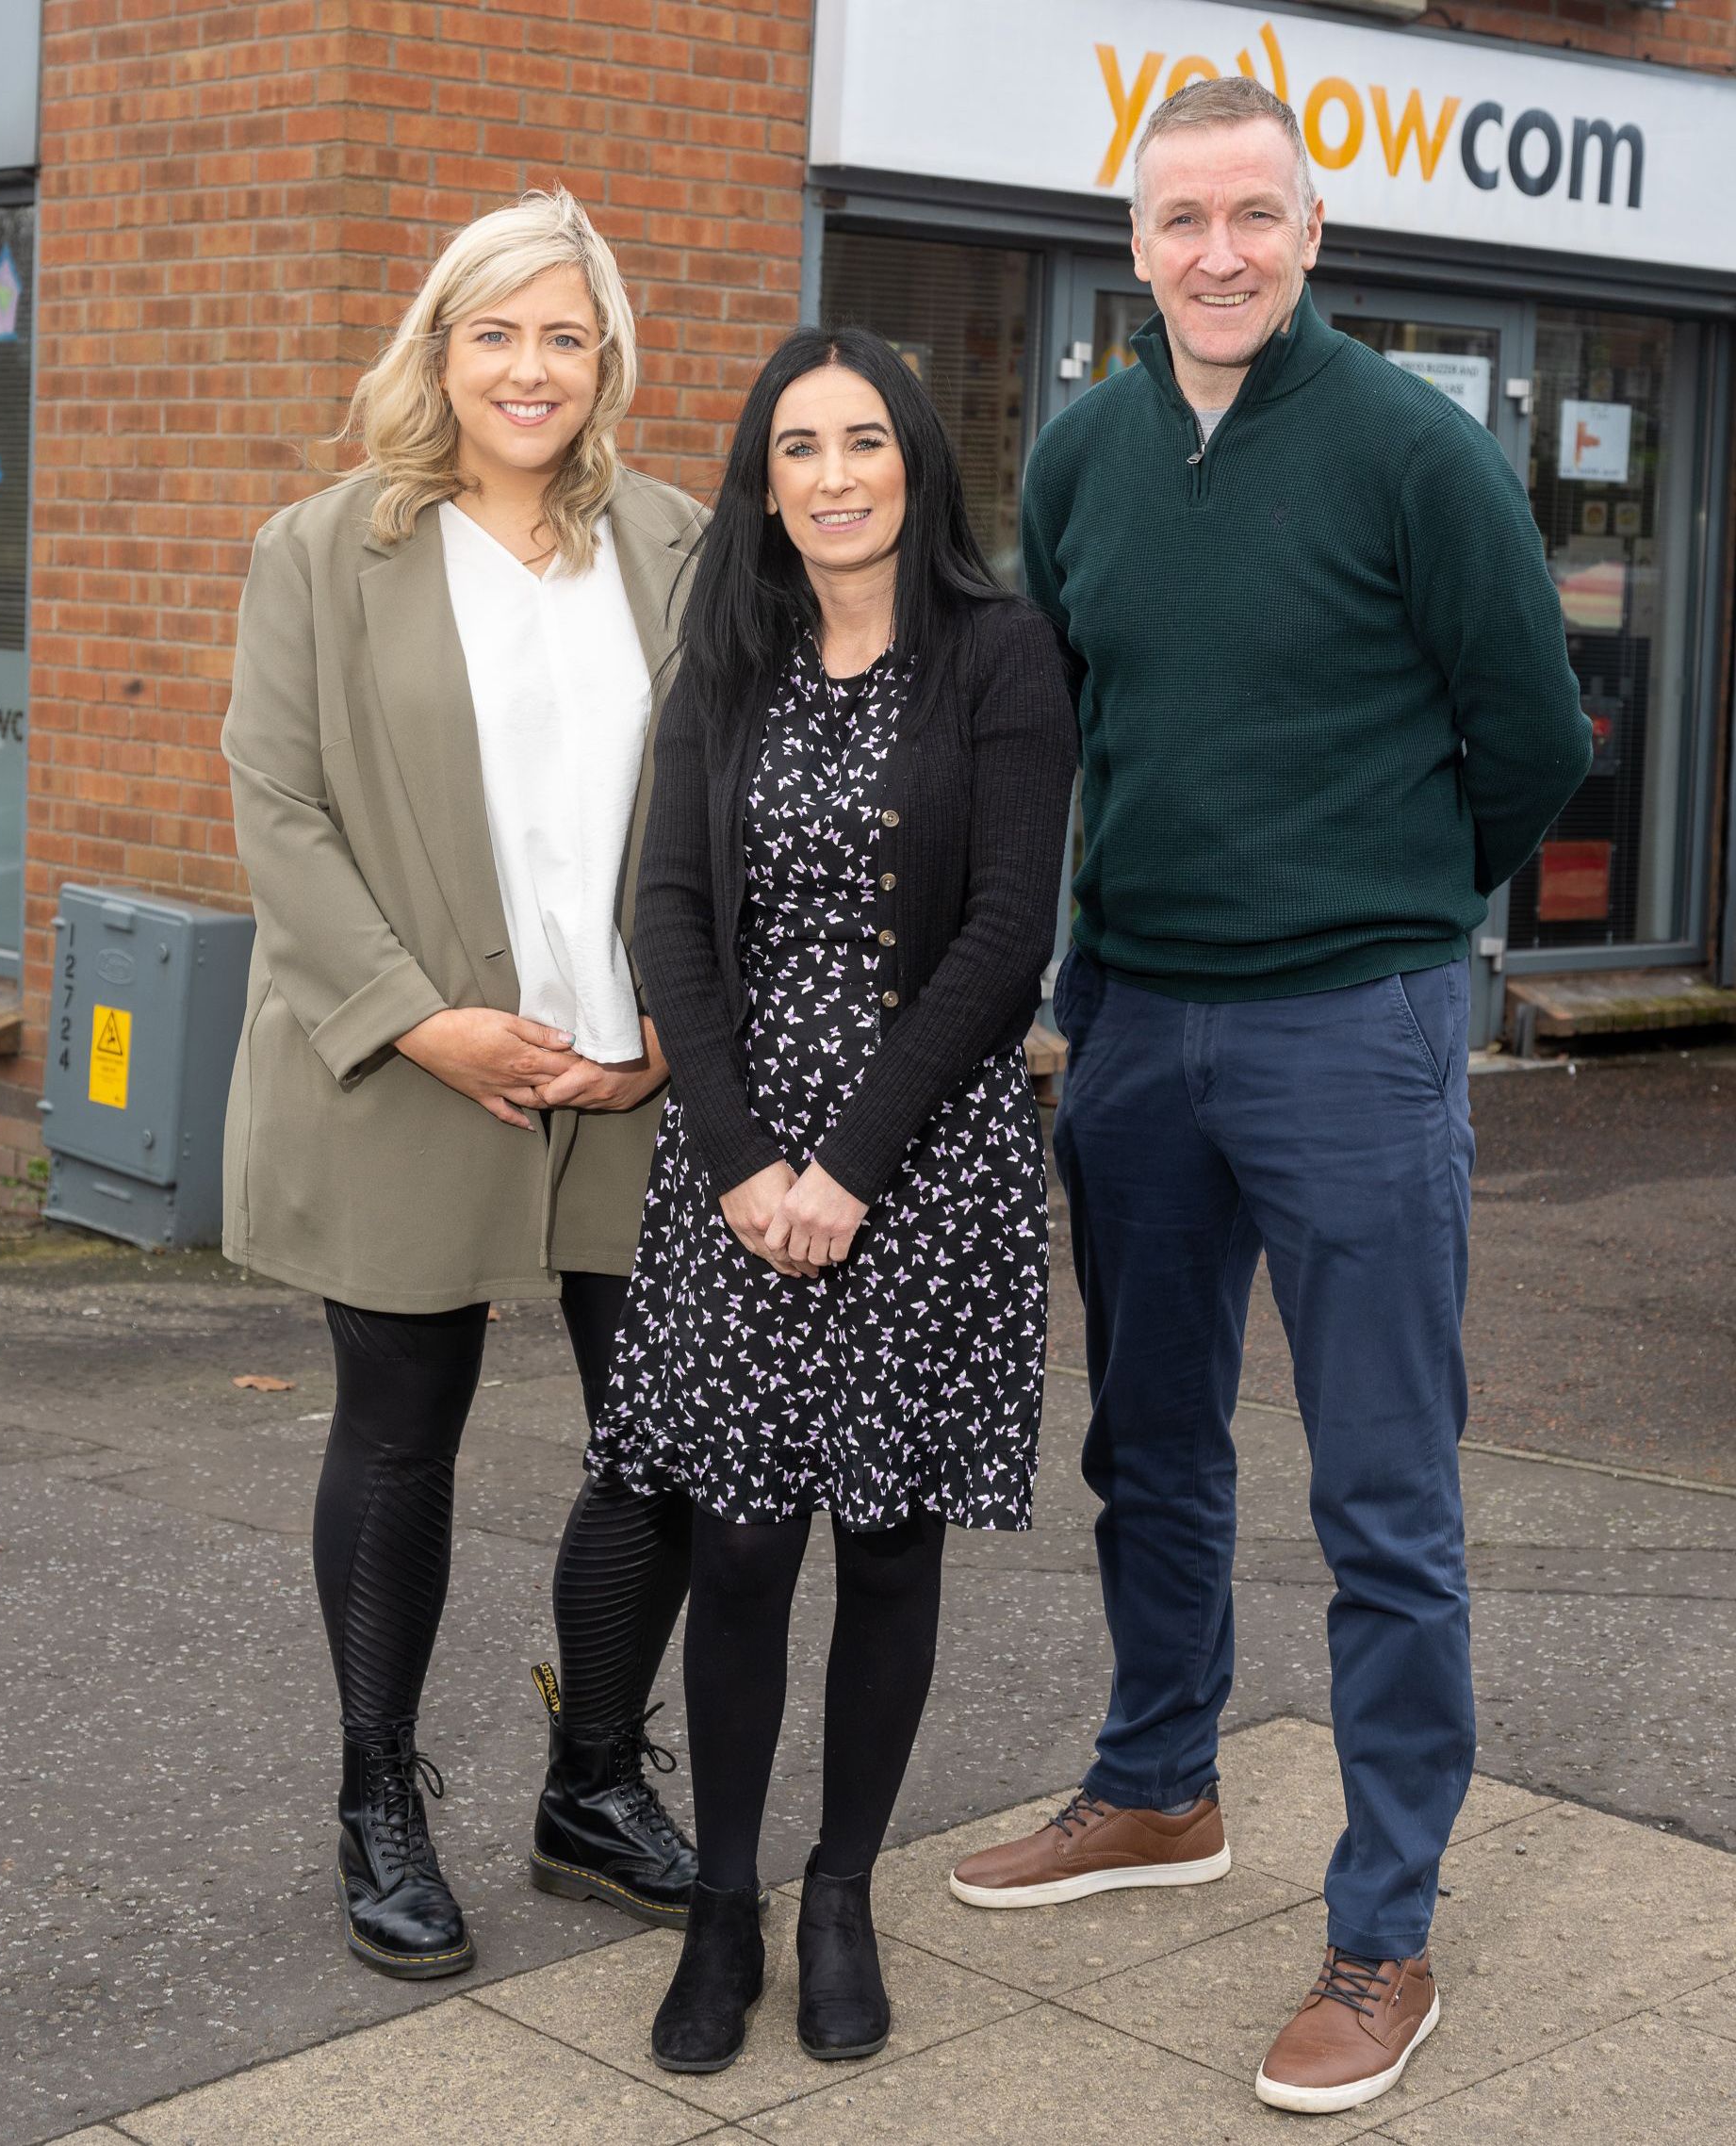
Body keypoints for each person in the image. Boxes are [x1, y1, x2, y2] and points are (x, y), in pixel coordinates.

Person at [947, 77, 1594, 2117]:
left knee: (1382, 1492)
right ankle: (1156, 1784)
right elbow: (1070, 732)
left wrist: (1383, 901)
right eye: (1176, 220)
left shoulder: (1414, 452)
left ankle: (1384, 1928)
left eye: (1252, 214)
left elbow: (1530, 744)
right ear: (1133, 245)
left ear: (1313, 233)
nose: (1214, 251)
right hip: (1134, 1020)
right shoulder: (1082, 454)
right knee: (1147, 1439)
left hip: (1353, 1025)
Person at [221, 188, 711, 1980]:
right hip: (415, 1068)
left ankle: (590, 1779)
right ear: (440, 348)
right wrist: (419, 1018)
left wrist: (684, 1011)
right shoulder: (321, 548)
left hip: (634, 1074)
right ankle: (377, 1795)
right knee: (400, 1434)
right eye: (494, 331)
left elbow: (732, 792)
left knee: (664, 1434)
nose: (529, 366)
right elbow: (278, 807)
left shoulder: (675, 544)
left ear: (606, 361)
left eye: (563, 335)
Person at [583, 326, 1075, 2073]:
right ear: (762, 480)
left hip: (923, 1166)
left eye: (866, 440)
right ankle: (722, 1901)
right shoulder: (720, 653)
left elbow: (1007, 929)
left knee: (885, 1536)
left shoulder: (1003, 657)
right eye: (799, 446)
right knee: (736, 1537)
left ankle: (844, 1889)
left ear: (919, 463)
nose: (836, 474)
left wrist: (850, 1166)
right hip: (734, 1163)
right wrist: (738, 1164)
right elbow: (667, 916)